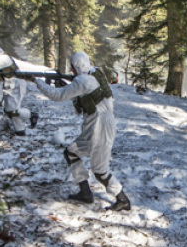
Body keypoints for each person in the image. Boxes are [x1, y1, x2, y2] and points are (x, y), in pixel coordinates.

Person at [26, 51, 130, 211]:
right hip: (96, 125)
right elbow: (81, 94)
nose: (71, 70)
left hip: (100, 127)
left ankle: (122, 199)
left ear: (78, 67)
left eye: (73, 68)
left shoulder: (83, 81)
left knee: (100, 170)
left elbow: (57, 95)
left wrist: (36, 81)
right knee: (71, 153)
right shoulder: (94, 73)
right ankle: (85, 192)